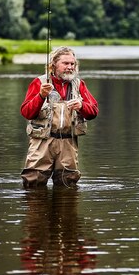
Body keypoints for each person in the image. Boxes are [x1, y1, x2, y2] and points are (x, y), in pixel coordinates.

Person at [20, 46, 98, 188]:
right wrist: (41, 96)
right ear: (53, 65)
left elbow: (93, 112)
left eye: (72, 64)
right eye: (65, 63)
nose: (70, 67)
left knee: (67, 184)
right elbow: (26, 112)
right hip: (42, 142)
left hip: (68, 143)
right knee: (33, 183)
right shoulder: (39, 83)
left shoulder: (79, 85)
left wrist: (81, 106)